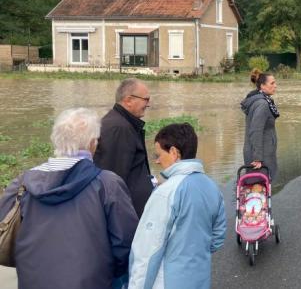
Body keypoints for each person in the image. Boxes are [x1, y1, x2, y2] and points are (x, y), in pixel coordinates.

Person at [0, 108, 138, 289]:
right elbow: (125, 242)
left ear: (55, 139)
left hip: (33, 279)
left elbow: (4, 223)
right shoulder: (106, 183)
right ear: (92, 143)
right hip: (91, 281)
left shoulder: (23, 182)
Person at [128, 123, 226, 289]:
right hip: (199, 279)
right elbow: (217, 238)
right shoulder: (211, 187)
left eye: (159, 154)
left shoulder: (165, 192)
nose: (157, 161)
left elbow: (147, 253)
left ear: (174, 152)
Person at [94, 78, 154, 217]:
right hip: (127, 214)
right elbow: (111, 178)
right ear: (128, 100)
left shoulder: (123, 123)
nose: (148, 104)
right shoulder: (119, 128)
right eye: (146, 99)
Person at [241, 72, 280, 180]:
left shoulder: (259, 100)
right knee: (259, 189)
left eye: (275, 83)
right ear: (262, 86)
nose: (275, 86)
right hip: (260, 157)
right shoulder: (262, 104)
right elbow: (256, 131)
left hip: (260, 152)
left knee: (259, 189)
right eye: (272, 83)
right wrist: (258, 158)